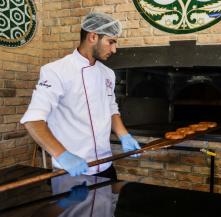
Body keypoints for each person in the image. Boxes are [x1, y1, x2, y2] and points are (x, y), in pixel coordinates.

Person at [20, 12, 140, 179]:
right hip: (71, 171)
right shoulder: (55, 71)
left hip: (106, 167)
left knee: (107, 206)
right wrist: (62, 155)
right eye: (111, 41)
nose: (114, 49)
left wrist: (124, 135)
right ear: (92, 37)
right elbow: (33, 120)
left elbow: (111, 108)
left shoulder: (108, 74)